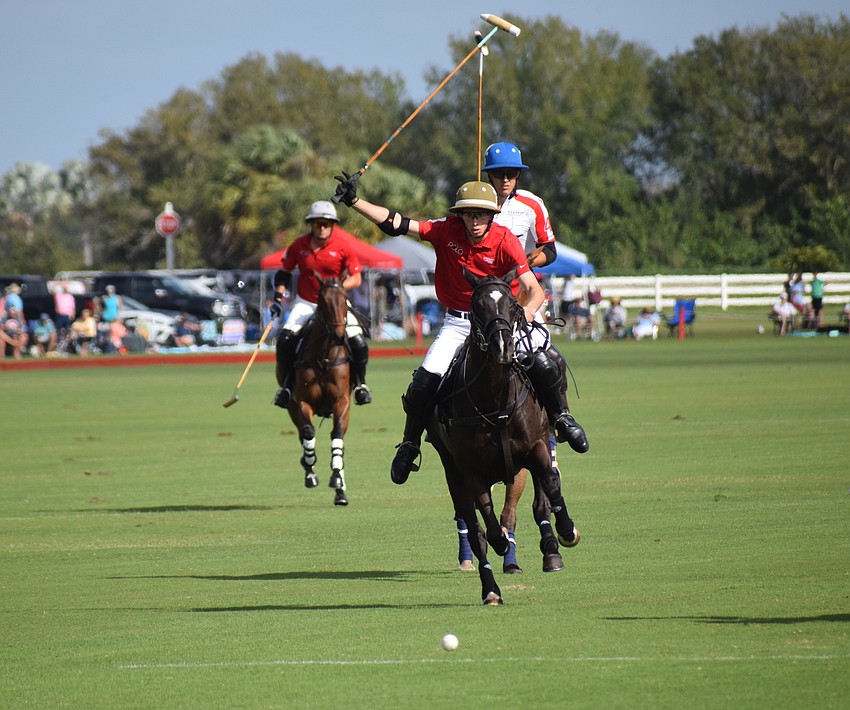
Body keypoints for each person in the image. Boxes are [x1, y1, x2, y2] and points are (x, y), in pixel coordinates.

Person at [334, 173, 585, 484]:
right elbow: (397, 223)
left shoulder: (506, 240)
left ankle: (562, 418)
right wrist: (355, 202)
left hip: (500, 323)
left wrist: (527, 314)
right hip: (458, 323)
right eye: (469, 214)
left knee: (546, 361)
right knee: (423, 383)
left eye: (481, 214)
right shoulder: (445, 232)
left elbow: (533, 290)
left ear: (492, 215)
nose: (475, 221)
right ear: (460, 215)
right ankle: (410, 444)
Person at [483, 141, 588, 442]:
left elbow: (550, 250)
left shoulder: (531, 205)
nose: (505, 179)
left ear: (518, 176)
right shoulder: (475, 206)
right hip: (482, 302)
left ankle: (561, 417)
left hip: (522, 298)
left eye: (511, 174)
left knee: (548, 360)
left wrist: (527, 261)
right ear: (489, 176)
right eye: (499, 173)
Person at [270, 200, 372, 408]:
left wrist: (338, 289)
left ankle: (360, 385)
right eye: (318, 224)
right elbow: (284, 273)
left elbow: (357, 277)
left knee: (358, 341)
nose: (322, 228)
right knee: (285, 339)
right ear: (311, 225)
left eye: (326, 224)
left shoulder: (343, 247)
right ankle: (287, 387)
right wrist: (278, 297)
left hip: (335, 304)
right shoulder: (299, 246)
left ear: (333, 225)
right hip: (306, 302)